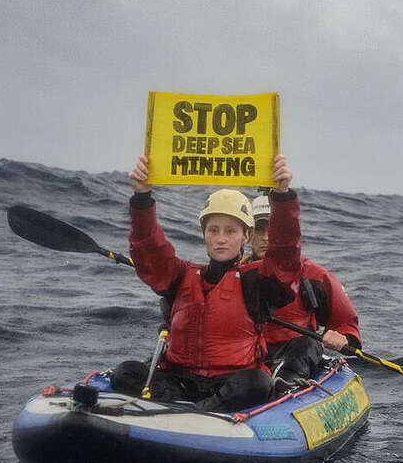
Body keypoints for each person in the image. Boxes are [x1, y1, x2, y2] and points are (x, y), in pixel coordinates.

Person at [124, 153, 300, 412]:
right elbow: (148, 251)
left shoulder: (258, 280)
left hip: (232, 382)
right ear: (204, 234)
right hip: (180, 379)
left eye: (231, 231)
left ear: (246, 236)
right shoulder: (181, 275)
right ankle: (185, 409)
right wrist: (142, 198)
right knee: (126, 372)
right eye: (213, 230)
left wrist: (283, 196)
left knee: (258, 383)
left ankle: (192, 412)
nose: (221, 239)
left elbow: (285, 255)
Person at [249, 193, 361, 383]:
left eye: (274, 229)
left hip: (295, 354)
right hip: (247, 355)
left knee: (309, 342)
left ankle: (287, 384)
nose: (266, 237)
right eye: (259, 229)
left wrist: (343, 338)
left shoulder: (314, 276)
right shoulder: (234, 274)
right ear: (246, 234)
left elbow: (347, 324)